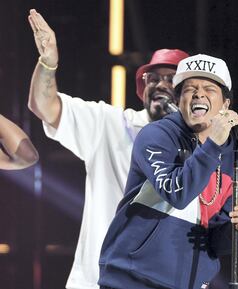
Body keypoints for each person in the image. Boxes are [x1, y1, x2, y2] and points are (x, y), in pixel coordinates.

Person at [27, 8, 189, 289]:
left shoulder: (202, 149)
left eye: (169, 79)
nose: (159, 84)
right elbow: (44, 105)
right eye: (152, 79)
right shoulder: (111, 124)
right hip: (100, 282)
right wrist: (48, 62)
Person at [98, 54, 238, 289]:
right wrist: (212, 145)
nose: (198, 94)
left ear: (225, 105)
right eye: (189, 89)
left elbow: (216, 244)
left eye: (209, 89)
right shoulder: (157, 136)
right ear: (180, 100)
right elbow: (177, 194)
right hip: (130, 280)